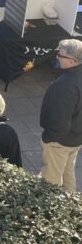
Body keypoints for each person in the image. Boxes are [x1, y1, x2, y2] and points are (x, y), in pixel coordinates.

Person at [39, 38, 82, 192]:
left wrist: (49, 138)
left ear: (72, 61)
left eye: (60, 55)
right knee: (68, 173)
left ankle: (50, 212)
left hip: (60, 142)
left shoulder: (64, 86)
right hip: (76, 139)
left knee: (51, 181)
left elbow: (60, 121)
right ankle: (71, 204)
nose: (57, 57)